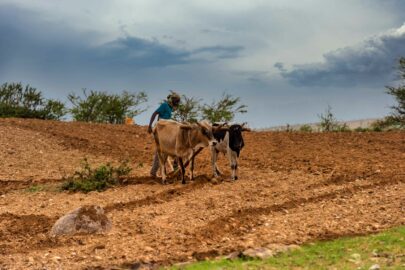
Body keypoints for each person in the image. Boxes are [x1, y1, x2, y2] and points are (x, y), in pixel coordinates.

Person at [148, 91, 181, 177]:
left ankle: (175, 166)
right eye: (176, 101)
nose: (177, 103)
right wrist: (150, 125)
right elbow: (154, 113)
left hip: (167, 130)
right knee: (160, 151)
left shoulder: (170, 107)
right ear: (173, 100)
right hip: (161, 130)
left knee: (170, 149)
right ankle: (154, 172)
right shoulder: (165, 105)